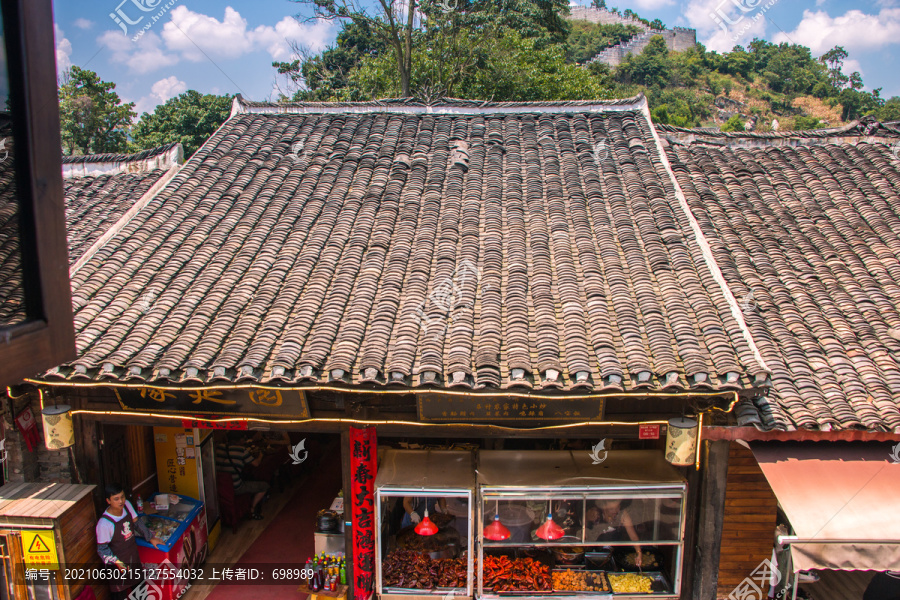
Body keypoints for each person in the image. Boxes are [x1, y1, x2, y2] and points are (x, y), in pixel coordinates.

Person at [95, 483, 164, 600]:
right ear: (108, 501)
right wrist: (116, 562)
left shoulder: (127, 505)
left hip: (133, 561)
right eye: (116, 499)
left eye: (122, 497)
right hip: (117, 569)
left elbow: (137, 523)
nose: (121, 501)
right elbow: (102, 549)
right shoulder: (104, 524)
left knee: (141, 596)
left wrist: (150, 537)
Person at [215, 431, 269, 520]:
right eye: (243, 439)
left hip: (219, 486)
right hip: (235, 487)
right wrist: (260, 455)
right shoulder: (241, 450)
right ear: (239, 440)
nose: (244, 441)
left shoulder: (219, 447)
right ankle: (252, 509)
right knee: (264, 486)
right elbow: (256, 464)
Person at [585, 500, 643, 568]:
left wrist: (639, 552)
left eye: (617, 507)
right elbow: (583, 529)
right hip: (595, 555)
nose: (615, 511)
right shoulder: (595, 513)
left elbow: (633, 537)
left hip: (615, 555)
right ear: (604, 507)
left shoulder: (623, 514)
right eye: (611, 509)